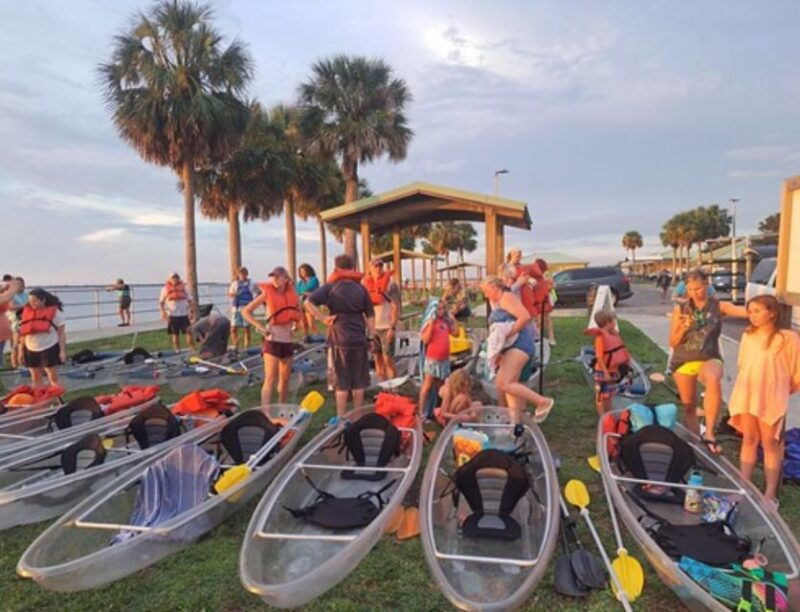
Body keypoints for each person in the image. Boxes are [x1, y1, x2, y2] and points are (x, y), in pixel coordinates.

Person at [728, 295, 800, 505]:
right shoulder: (748, 336)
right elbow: (742, 364)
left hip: (772, 396)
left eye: (758, 311)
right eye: (750, 311)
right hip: (748, 393)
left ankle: (770, 493)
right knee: (749, 439)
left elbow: (796, 372)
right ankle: (743, 487)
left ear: (772, 312)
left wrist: (780, 389)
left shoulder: (787, 338)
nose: (753, 316)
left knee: (771, 442)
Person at [668, 269, 747, 454]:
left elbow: (748, 312)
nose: (694, 293)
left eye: (698, 288)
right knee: (689, 407)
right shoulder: (680, 309)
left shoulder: (719, 306)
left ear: (706, 284)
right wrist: (682, 327)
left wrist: (770, 310)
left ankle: (710, 433)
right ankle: (695, 445)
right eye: (690, 289)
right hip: (683, 360)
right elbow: (672, 341)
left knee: (713, 378)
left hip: (708, 357)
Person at [305, 254, 375, 417]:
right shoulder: (361, 289)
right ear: (353, 268)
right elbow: (370, 315)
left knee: (341, 382)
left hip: (338, 340)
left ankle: (341, 417)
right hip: (359, 339)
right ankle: (357, 416)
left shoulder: (330, 287)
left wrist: (323, 318)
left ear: (336, 268)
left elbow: (307, 302)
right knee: (359, 382)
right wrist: (370, 337)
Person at [480, 276, 554, 425]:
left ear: (494, 287)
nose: (486, 296)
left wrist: (507, 334)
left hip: (519, 344)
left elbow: (524, 316)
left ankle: (542, 402)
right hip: (510, 346)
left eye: (486, 292)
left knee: (505, 383)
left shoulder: (507, 297)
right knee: (505, 384)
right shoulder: (499, 301)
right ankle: (515, 425)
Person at [242, 266, 302, 405]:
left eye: (277, 276)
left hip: (287, 340)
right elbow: (246, 311)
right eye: (272, 276)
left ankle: (282, 407)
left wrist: (296, 325)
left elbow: (298, 313)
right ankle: (265, 411)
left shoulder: (293, 294)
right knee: (270, 378)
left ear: (285, 278)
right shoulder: (267, 294)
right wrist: (260, 327)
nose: (274, 279)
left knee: (285, 378)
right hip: (273, 340)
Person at [363, 258, 401, 381]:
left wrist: (392, 328)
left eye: (380, 266)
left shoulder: (391, 285)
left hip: (386, 327)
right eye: (375, 266)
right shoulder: (365, 285)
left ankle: (394, 389)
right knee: (377, 359)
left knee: (388, 359)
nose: (378, 269)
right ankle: (383, 388)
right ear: (370, 269)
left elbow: (396, 307)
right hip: (373, 329)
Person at [20, 288, 66, 387]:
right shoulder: (27, 312)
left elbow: (61, 333)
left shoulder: (56, 313)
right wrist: (21, 351)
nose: (32, 303)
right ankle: (40, 398)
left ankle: (57, 398)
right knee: (35, 376)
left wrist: (62, 351)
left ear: (43, 300)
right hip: (30, 348)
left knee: (52, 376)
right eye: (30, 301)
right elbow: (24, 333)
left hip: (49, 347)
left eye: (35, 301)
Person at [588, 310, 631, 415]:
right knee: (600, 396)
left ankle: (609, 415)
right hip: (602, 372)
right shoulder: (600, 338)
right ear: (608, 322)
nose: (615, 323)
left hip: (613, 370)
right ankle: (602, 417)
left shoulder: (612, 335)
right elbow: (599, 358)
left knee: (609, 395)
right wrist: (606, 372)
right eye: (613, 321)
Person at [418, 299, 456, 418]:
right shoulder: (430, 323)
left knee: (441, 386)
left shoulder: (445, 322)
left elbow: (455, 333)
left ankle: (437, 410)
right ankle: (421, 412)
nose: (441, 311)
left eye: (443, 308)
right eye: (438, 309)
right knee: (427, 386)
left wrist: (453, 320)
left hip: (444, 359)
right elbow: (425, 339)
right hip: (432, 359)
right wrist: (430, 323)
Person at [159, 272, 195, 351]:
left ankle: (192, 348)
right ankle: (177, 350)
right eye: (173, 277)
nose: (175, 279)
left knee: (188, 332)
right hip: (172, 315)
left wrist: (191, 311)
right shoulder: (165, 289)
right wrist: (163, 312)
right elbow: (161, 302)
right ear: (169, 279)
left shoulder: (184, 288)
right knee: (175, 334)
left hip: (184, 314)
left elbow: (190, 300)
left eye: (176, 277)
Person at [228, 266, 258, 350]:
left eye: (244, 274)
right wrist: (234, 294)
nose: (242, 276)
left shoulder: (252, 283)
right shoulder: (235, 283)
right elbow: (230, 293)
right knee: (233, 328)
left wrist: (254, 302)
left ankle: (246, 346)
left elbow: (258, 292)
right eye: (240, 274)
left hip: (247, 307)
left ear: (247, 274)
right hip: (236, 308)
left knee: (246, 328)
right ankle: (235, 344)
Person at [296, 263, 320, 342]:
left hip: (310, 302)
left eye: (304, 271)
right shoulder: (300, 282)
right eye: (301, 271)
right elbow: (297, 290)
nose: (302, 273)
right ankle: (306, 338)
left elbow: (308, 289)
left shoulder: (313, 279)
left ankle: (319, 338)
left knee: (311, 323)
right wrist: (303, 292)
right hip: (301, 302)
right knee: (303, 323)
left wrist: (303, 291)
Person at [7, 277, 28, 368]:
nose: (21, 286)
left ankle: (23, 363)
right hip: (14, 321)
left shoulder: (26, 294)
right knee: (15, 344)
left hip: (25, 320)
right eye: (19, 284)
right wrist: (24, 306)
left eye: (22, 284)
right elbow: (11, 306)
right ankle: (14, 365)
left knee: (24, 344)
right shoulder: (11, 295)